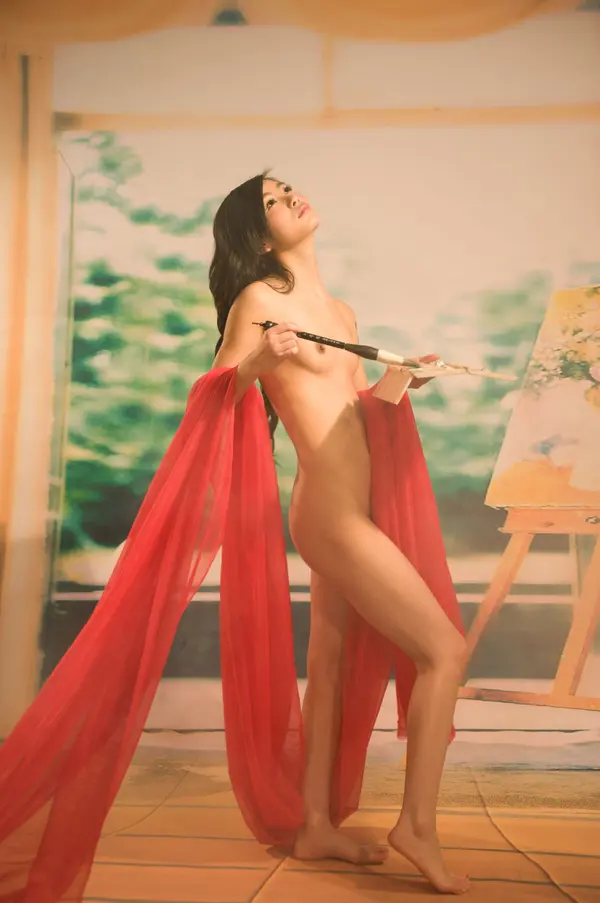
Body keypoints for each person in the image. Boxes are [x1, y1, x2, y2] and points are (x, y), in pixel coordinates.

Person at [210, 173, 470, 894]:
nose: (290, 198)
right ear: (260, 238)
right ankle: (417, 825)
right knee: (444, 651)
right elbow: (217, 392)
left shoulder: (342, 312)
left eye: (287, 188)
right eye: (272, 201)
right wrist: (259, 361)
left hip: (357, 503)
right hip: (329, 513)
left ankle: (316, 824)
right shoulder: (258, 301)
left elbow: (359, 408)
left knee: (328, 663)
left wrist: (404, 380)